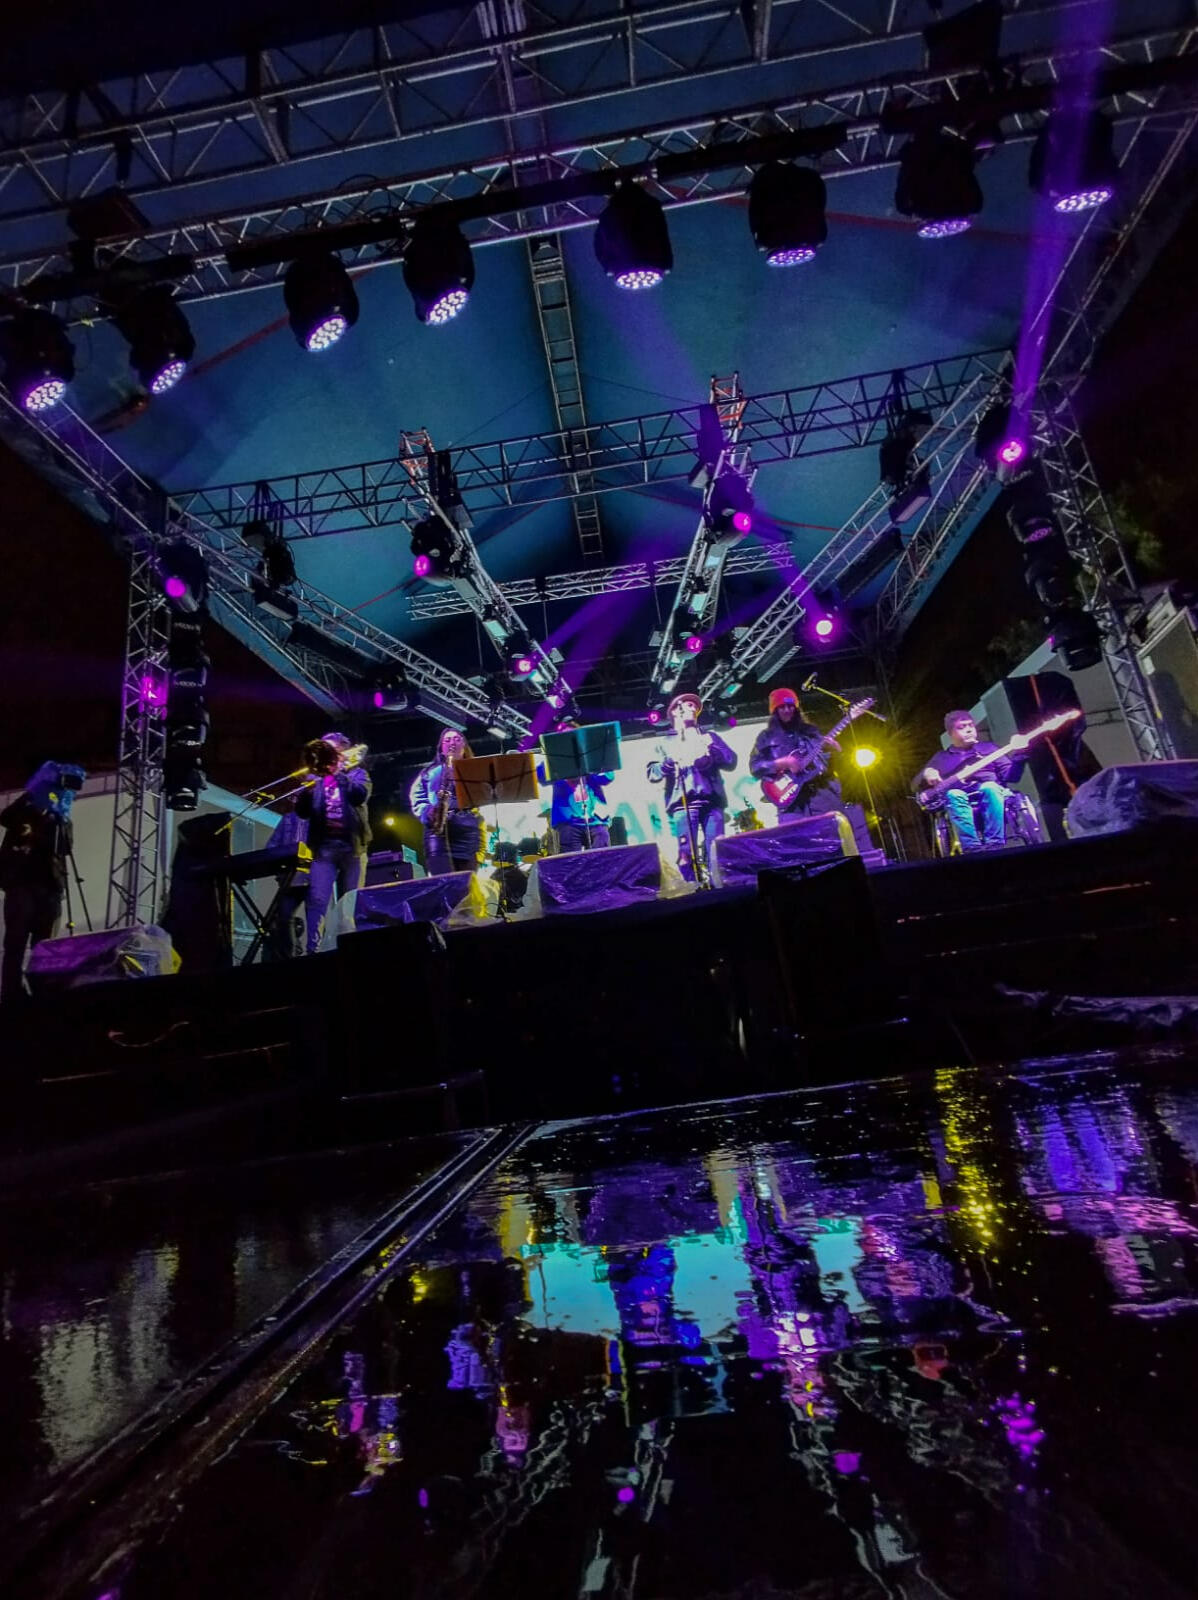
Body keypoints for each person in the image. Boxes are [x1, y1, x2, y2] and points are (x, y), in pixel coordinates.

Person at [0, 761, 85, 1002]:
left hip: (50, 887)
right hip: (22, 884)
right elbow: (5, 817)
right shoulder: (26, 808)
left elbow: (65, 848)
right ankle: (11, 992)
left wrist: (60, 816)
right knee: (16, 941)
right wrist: (38, 796)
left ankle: (42, 988)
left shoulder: (62, 818)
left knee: (45, 943)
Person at [647, 693, 736, 883]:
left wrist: (713, 749)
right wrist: (667, 764)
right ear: (675, 712)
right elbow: (652, 773)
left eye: (694, 706)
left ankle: (719, 888)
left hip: (712, 801)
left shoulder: (708, 737)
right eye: (687, 705)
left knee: (717, 850)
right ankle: (692, 888)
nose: (692, 708)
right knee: (686, 853)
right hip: (682, 804)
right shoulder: (666, 743)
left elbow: (731, 761)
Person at [294, 732, 371, 952]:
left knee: (350, 902)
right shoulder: (316, 779)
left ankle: (350, 949)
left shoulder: (358, 774)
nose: (327, 756)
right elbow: (302, 813)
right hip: (324, 848)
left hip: (352, 846)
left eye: (332, 751)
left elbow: (360, 795)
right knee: (317, 900)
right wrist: (306, 792)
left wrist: (339, 774)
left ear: (343, 752)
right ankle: (313, 950)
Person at [916, 710, 1019, 852]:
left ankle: (994, 844)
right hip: (961, 796)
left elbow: (1012, 776)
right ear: (951, 733)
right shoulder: (942, 757)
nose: (969, 729)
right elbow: (916, 785)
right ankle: (972, 848)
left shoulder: (989, 748)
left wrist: (1020, 757)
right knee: (954, 794)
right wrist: (928, 772)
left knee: (989, 787)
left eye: (971, 725)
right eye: (961, 727)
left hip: (993, 792)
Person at [749, 687, 843, 823]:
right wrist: (782, 763)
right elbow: (755, 767)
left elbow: (828, 764)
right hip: (792, 805)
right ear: (775, 711)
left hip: (821, 795)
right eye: (782, 707)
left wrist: (836, 751)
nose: (787, 710)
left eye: (790, 706)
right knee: (797, 836)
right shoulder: (766, 737)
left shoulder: (810, 732)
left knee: (831, 833)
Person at [410, 729, 482, 876]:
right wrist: (426, 811)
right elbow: (417, 797)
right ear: (441, 748)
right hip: (437, 832)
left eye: (457, 739)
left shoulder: (474, 770)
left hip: (466, 833)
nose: (452, 743)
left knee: (468, 882)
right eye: (447, 740)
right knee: (443, 881)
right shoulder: (429, 772)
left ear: (464, 746)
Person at [536, 719, 615, 852]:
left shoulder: (590, 755)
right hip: (568, 820)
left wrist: (593, 766)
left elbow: (607, 777)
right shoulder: (554, 758)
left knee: (602, 845)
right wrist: (553, 759)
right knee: (571, 858)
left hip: (595, 817)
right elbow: (542, 778)